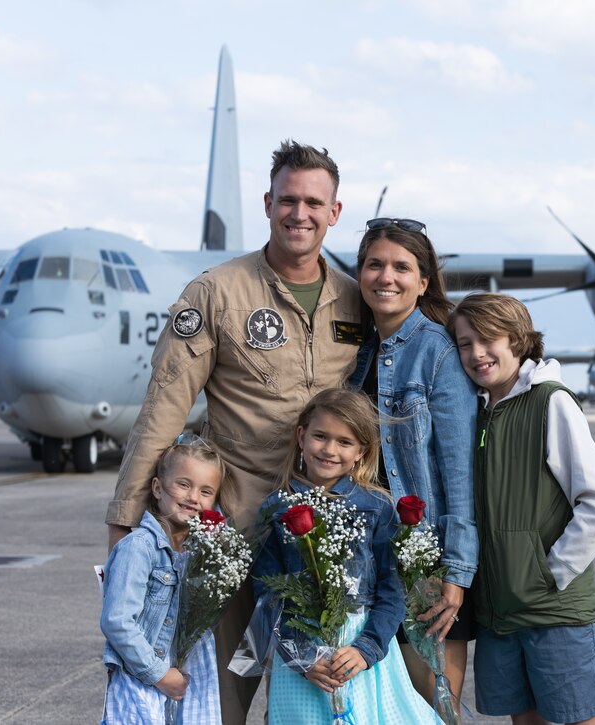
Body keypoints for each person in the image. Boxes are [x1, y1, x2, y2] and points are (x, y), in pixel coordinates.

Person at [105, 140, 363, 721]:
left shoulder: (356, 299)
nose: (300, 213)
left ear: (335, 212)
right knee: (222, 696)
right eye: (288, 200)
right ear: (268, 203)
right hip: (233, 531)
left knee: (321, 699)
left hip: (327, 539)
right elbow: (164, 407)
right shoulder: (215, 293)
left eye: (314, 203)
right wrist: (126, 522)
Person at [448, 293, 595, 725]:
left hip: (551, 608)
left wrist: (551, 573)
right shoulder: (478, 411)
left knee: (581, 719)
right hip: (499, 610)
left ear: (518, 340)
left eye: (488, 339)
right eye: (464, 344)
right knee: (524, 720)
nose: (476, 353)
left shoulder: (550, 401)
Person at [347, 217, 478, 704]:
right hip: (368, 557)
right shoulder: (360, 354)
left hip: (428, 563)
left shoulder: (437, 352)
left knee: (432, 707)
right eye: (375, 265)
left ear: (423, 282)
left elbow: (459, 472)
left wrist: (456, 573)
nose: (387, 277)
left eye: (402, 267)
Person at [252, 388, 436, 724]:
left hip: (361, 651)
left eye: (344, 442)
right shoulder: (277, 509)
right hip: (304, 659)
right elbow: (268, 596)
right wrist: (302, 659)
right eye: (320, 436)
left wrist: (367, 649)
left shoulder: (377, 507)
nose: (329, 449)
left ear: (361, 452)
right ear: (301, 436)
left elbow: (392, 589)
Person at [101, 438, 227, 724]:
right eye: (184, 484)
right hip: (141, 678)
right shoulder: (139, 548)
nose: (194, 496)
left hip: (191, 675)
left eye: (206, 491)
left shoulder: (203, 553)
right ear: (157, 488)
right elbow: (117, 621)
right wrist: (158, 673)